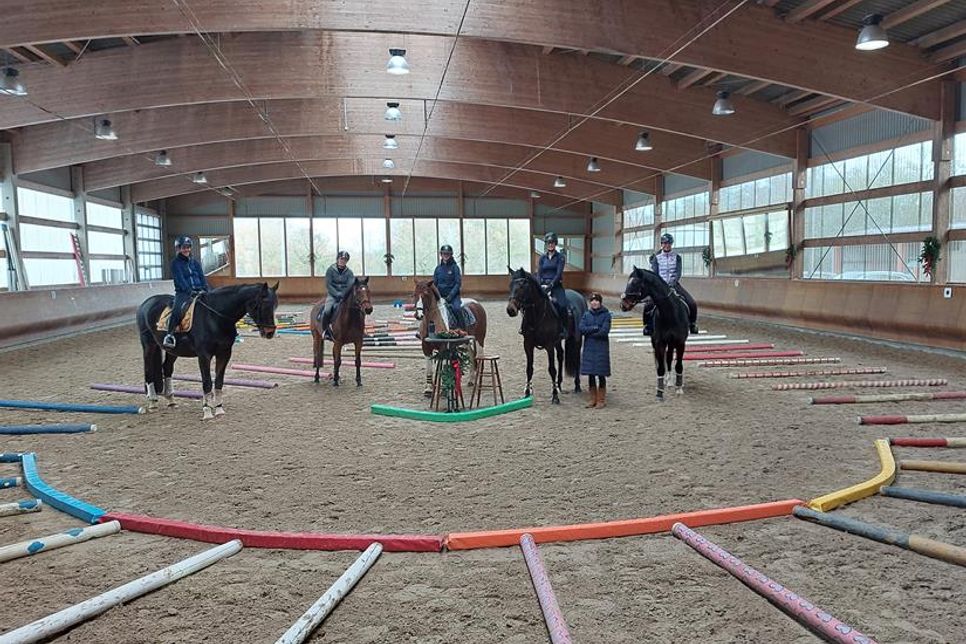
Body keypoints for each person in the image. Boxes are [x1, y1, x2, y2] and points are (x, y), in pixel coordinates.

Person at [644, 233, 699, 335]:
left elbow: (678, 272)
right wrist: (660, 284)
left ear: (671, 244)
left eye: (669, 243)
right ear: (662, 244)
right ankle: (648, 325)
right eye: (664, 243)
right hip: (660, 286)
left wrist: (673, 283)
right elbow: (655, 273)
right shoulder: (656, 258)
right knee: (649, 304)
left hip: (674, 284)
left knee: (691, 303)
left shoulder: (677, 257)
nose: (667, 245)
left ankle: (692, 323)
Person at [163, 235, 209, 349]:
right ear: (178, 248)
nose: (186, 249)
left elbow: (201, 277)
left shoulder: (195, 263)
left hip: (200, 291)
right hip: (183, 293)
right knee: (178, 309)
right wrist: (190, 291)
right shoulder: (175, 263)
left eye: (188, 247)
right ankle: (169, 335)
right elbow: (180, 280)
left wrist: (205, 289)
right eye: (184, 247)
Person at [579, 292, 612, 409]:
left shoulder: (606, 315)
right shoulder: (586, 314)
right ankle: (592, 398)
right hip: (589, 348)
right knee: (591, 374)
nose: (594, 303)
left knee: (601, 374)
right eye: (592, 301)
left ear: (600, 302)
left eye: (596, 300)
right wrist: (594, 328)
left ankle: (601, 399)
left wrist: (590, 333)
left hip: (601, 348)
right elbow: (581, 328)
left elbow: (604, 331)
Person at [537, 232, 568, 338]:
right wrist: (539, 284)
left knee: (562, 305)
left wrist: (550, 285)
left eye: (552, 243)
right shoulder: (542, 258)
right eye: (548, 243)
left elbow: (558, 274)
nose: (550, 245)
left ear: (555, 244)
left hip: (556, 286)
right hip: (543, 286)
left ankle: (564, 328)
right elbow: (539, 273)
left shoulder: (560, 257)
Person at [321, 250, 354, 340]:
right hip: (332, 295)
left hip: (345, 295)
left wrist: (343, 294)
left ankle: (357, 329)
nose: (343, 261)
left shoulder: (349, 272)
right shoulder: (330, 270)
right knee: (327, 310)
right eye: (341, 259)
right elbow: (328, 284)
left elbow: (350, 285)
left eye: (345, 260)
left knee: (356, 308)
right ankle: (326, 331)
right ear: (337, 259)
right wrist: (336, 294)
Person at [433, 244, 464, 328]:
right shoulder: (438, 269)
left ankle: (462, 328)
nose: (445, 255)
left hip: (453, 297)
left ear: (451, 255)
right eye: (444, 253)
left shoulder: (455, 268)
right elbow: (434, 284)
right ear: (441, 255)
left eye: (447, 254)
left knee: (457, 309)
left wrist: (450, 296)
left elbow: (458, 284)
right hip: (440, 297)